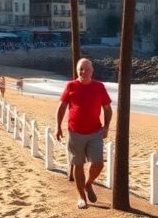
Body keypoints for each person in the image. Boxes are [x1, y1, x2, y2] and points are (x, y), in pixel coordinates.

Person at [56, 58, 113, 210]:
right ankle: (81, 197)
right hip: (75, 132)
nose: (84, 72)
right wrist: (58, 127)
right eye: (81, 69)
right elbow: (61, 107)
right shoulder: (71, 85)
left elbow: (108, 109)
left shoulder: (99, 87)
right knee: (78, 165)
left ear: (92, 71)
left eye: (87, 69)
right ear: (77, 70)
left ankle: (88, 184)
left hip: (95, 132)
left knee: (98, 163)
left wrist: (107, 127)